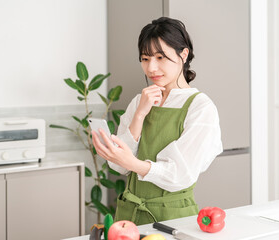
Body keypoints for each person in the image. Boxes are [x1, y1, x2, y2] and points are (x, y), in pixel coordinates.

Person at [91, 17, 223, 225]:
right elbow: (119, 168)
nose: (151, 68)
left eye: (160, 57)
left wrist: (132, 163)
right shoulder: (139, 101)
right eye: (145, 58)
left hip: (172, 219)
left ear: (184, 54)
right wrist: (140, 115)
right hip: (128, 217)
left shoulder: (200, 107)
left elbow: (179, 175)